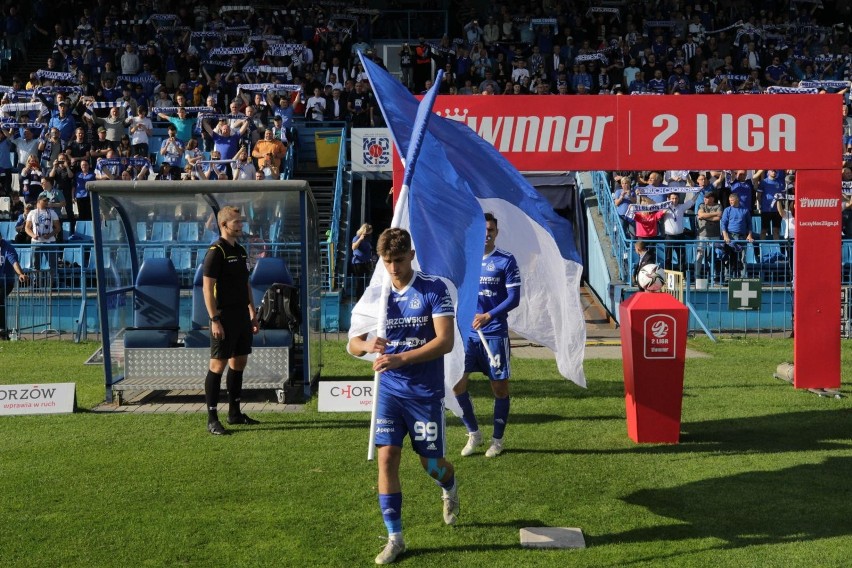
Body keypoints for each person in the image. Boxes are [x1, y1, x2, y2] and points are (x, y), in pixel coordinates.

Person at [347, 227, 459, 565]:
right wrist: (368, 345)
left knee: (432, 466)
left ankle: (450, 487)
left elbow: (445, 342)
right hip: (389, 390)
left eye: (398, 259)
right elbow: (352, 343)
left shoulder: (433, 289)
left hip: (424, 392)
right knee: (386, 458)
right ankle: (395, 537)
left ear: (411, 255)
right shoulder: (377, 295)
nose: (393, 267)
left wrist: (401, 358)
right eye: (386, 261)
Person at [453, 213, 521, 458]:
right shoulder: (466, 260)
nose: (486, 234)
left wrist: (488, 316)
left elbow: (514, 298)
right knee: (456, 384)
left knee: (499, 389)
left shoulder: (506, 261)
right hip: (468, 336)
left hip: (494, 334)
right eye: (483, 230)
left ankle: (497, 440)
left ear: (496, 232)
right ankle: (474, 434)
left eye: (490, 229)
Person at [201, 206, 261, 435]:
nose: (241, 225)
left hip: (241, 316)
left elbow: (246, 284)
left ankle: (234, 413)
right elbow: (207, 288)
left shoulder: (242, 251)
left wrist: (252, 313)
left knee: (239, 363)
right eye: (237, 222)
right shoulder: (216, 251)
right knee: (218, 365)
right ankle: (212, 418)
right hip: (223, 316)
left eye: (241, 221)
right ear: (224, 225)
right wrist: (214, 319)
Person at [1, 231, 29, 339]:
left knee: (0, 301)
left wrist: (21, 274)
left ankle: (2, 330)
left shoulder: (8, 248)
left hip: (6, 282)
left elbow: (14, 263)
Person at [350, 223, 373, 297]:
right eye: (367, 233)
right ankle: (359, 297)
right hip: (358, 263)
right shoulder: (356, 238)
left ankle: (364, 295)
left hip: (366, 262)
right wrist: (360, 239)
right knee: (360, 281)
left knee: (366, 280)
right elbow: (354, 247)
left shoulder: (367, 240)